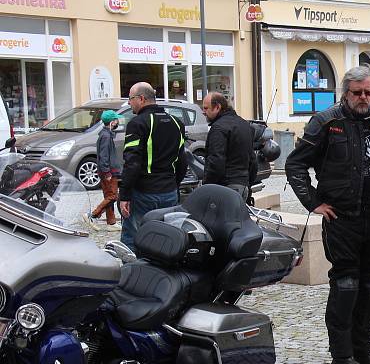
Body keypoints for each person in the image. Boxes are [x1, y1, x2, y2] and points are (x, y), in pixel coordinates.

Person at [285, 65, 370, 364]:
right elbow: (295, 165)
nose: (363, 97)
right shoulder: (326, 122)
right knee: (345, 285)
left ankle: (364, 350)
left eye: (368, 92)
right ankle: (342, 356)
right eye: (357, 92)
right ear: (345, 92)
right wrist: (314, 202)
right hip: (343, 218)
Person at [119, 82, 187, 250]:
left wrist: (125, 195)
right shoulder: (176, 123)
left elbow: (132, 163)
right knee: (165, 238)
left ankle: (133, 273)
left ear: (141, 99)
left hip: (144, 193)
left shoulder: (137, 124)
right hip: (169, 191)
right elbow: (182, 161)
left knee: (134, 238)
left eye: (130, 99)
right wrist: (173, 185)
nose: (129, 103)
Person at [201, 92, 257, 200]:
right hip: (242, 185)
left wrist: (206, 185)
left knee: (221, 217)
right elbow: (252, 160)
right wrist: (248, 183)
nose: (203, 112)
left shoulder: (218, 128)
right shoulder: (244, 124)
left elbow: (216, 161)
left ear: (217, 107)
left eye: (206, 108)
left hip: (226, 187)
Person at [84, 110, 123, 231]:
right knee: (112, 196)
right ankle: (92, 215)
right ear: (112, 122)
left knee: (108, 196)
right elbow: (104, 155)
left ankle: (111, 222)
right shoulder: (106, 136)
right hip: (109, 171)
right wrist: (107, 172)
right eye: (116, 120)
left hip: (107, 170)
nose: (118, 122)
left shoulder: (105, 134)